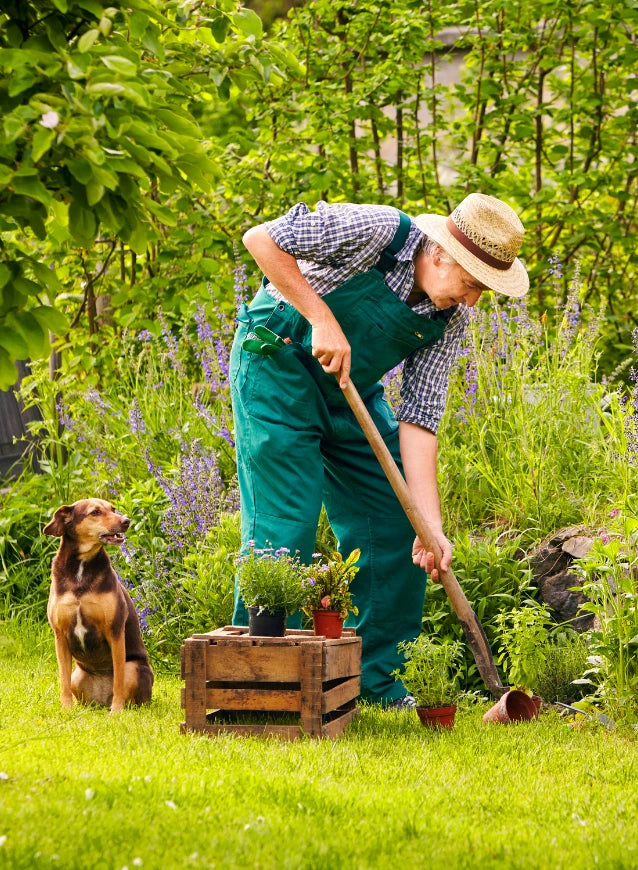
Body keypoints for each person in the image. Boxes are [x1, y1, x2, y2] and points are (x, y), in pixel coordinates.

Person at [230, 193, 529, 707]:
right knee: (285, 530)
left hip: (350, 393)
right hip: (275, 370)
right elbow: (261, 239)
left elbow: (420, 418)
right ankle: (261, 684)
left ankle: (372, 681)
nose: (474, 300)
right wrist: (321, 318)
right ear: (439, 255)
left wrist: (429, 526)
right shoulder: (376, 231)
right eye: (473, 283)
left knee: (398, 523)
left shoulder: (446, 317)